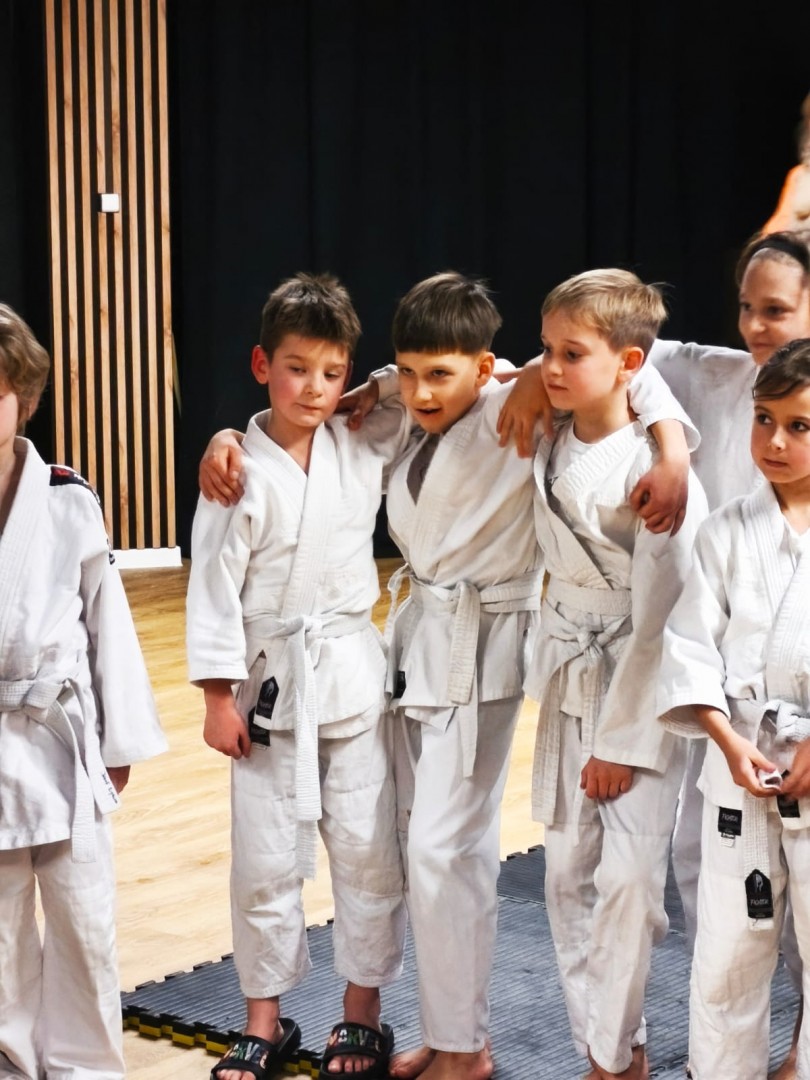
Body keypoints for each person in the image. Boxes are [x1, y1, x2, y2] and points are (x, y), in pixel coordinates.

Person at [200, 270, 697, 1080]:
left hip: (485, 643)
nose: (423, 389)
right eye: (412, 372)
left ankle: (467, 1048)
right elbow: (340, 398)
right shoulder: (401, 406)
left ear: (487, 365)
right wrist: (230, 435)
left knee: (443, 850)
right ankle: (449, 1028)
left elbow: (642, 372)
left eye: (441, 373)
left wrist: (671, 448)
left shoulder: (518, 402)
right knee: (414, 846)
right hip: (411, 647)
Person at [186, 273, 414, 1080]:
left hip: (351, 678)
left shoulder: (365, 435)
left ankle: (362, 1013)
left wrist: (370, 388)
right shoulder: (236, 470)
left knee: (368, 854)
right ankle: (264, 1020)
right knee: (264, 863)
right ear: (261, 366)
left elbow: (435, 380)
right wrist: (217, 699)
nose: (314, 387)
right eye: (296, 368)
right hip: (268, 690)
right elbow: (213, 586)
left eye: (331, 371)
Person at [523, 270, 708, 1080]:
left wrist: (620, 744)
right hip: (570, 670)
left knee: (629, 883)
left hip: (641, 694)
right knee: (565, 878)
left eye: (572, 354)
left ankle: (610, 1055)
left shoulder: (658, 473)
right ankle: (612, 1051)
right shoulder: (546, 431)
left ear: (631, 363)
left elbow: (666, 620)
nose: (551, 367)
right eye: (546, 350)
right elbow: (449, 372)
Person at [0, 303, 167, 1079]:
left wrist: (118, 741)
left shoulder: (68, 498)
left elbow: (110, 622)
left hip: (60, 741)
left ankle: (87, 1067)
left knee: (83, 919)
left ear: (24, 396)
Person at [657, 338, 810, 1080]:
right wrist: (726, 741)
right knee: (727, 950)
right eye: (763, 419)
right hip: (739, 766)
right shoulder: (724, 530)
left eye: (800, 425)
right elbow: (689, 651)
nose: (774, 441)